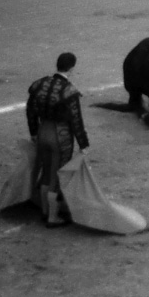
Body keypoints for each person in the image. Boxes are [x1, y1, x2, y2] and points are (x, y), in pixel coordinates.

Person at [26, 52, 90, 228]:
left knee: (46, 172)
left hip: (42, 132)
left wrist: (33, 132)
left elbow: (30, 111)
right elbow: (76, 120)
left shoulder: (40, 84)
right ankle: (52, 218)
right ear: (72, 68)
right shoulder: (69, 91)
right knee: (57, 175)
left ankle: (45, 211)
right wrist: (83, 144)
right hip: (60, 137)